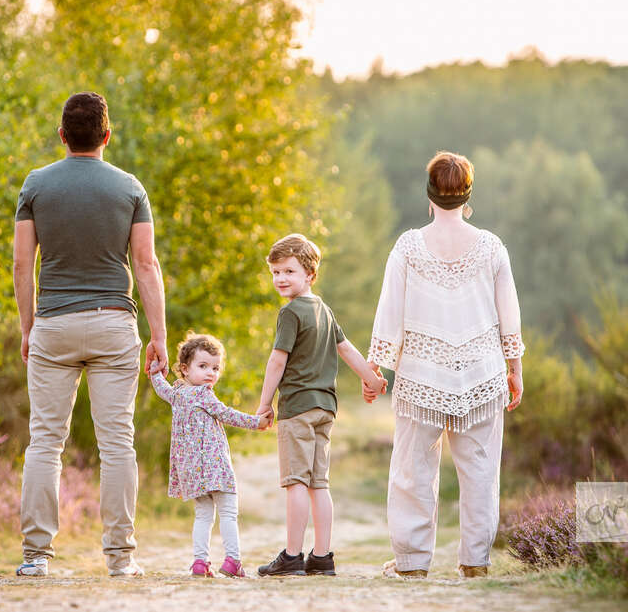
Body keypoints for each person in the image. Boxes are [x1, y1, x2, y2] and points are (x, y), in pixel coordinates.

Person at [12, 92, 168, 578]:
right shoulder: (129, 188)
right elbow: (145, 264)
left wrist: (28, 327)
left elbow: (22, 264)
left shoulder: (36, 185)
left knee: (44, 441)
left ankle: (36, 556)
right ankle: (121, 558)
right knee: (117, 442)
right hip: (112, 324)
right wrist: (159, 334)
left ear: (62, 135)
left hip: (53, 325)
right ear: (106, 135)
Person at [364, 151, 524, 579]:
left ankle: (412, 563)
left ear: (429, 194)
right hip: (482, 373)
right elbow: (509, 313)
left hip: (422, 375)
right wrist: (516, 369)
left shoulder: (408, 246)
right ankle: (475, 562)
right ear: (468, 195)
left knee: (412, 471)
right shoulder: (491, 247)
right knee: (481, 471)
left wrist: (376, 366)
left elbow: (389, 310)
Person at [255, 234, 387, 577]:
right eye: (275, 272)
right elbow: (347, 350)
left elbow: (276, 362)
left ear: (310, 274)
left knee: (296, 481)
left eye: (289, 271)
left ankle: (292, 557)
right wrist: (372, 380)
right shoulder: (324, 310)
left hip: (297, 407)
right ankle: (323, 556)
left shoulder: (290, 312)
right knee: (319, 483)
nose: (281, 279)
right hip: (325, 408)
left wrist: (264, 405)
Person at [148, 333, 272, 578]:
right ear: (184, 369)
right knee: (227, 511)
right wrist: (256, 422)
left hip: (191, 470)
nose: (210, 373)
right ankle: (232, 560)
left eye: (215, 368)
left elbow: (159, 384)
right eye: (202, 366)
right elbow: (227, 414)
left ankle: (200, 562)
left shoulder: (176, 394)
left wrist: (154, 367)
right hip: (214, 466)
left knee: (203, 515)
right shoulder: (203, 394)